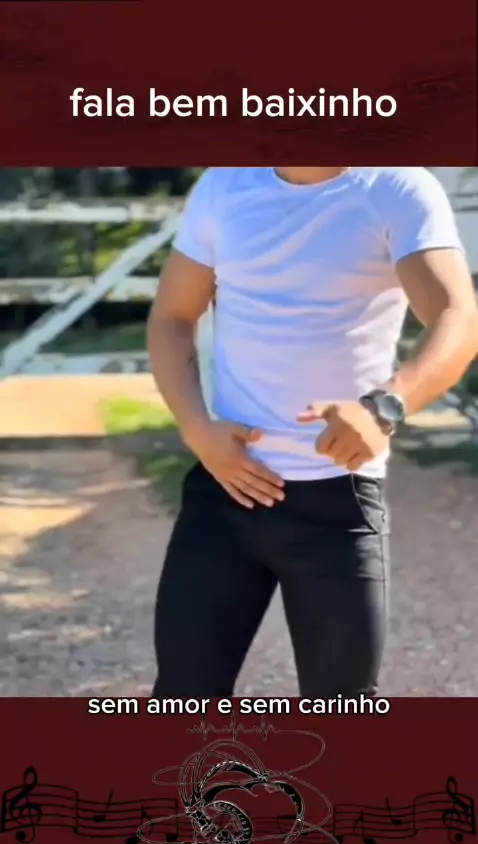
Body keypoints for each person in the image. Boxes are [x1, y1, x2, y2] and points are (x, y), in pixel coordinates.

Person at [147, 167, 478, 698]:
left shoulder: (396, 187)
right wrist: (197, 430)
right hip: (225, 492)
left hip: (338, 501)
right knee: (182, 700)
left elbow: (458, 318)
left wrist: (385, 407)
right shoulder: (223, 186)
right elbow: (172, 316)